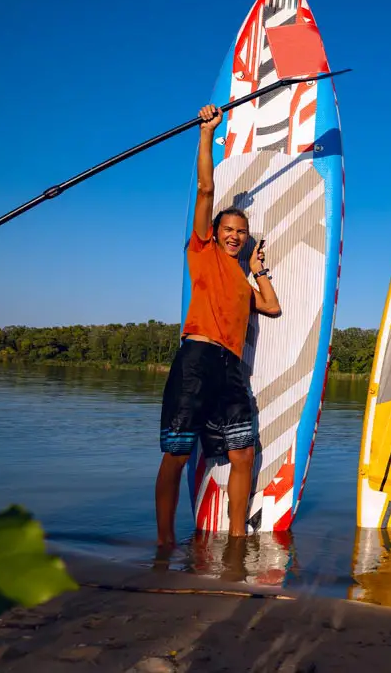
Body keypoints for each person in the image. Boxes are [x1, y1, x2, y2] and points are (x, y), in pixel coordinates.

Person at [155, 104, 282, 548]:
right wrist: (208, 133)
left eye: (241, 232)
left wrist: (259, 268)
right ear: (216, 231)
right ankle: (165, 543)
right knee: (177, 451)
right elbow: (206, 188)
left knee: (243, 452)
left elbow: (273, 307)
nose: (234, 235)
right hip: (197, 358)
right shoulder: (202, 252)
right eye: (228, 229)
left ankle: (234, 539)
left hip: (230, 368)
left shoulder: (244, 279)